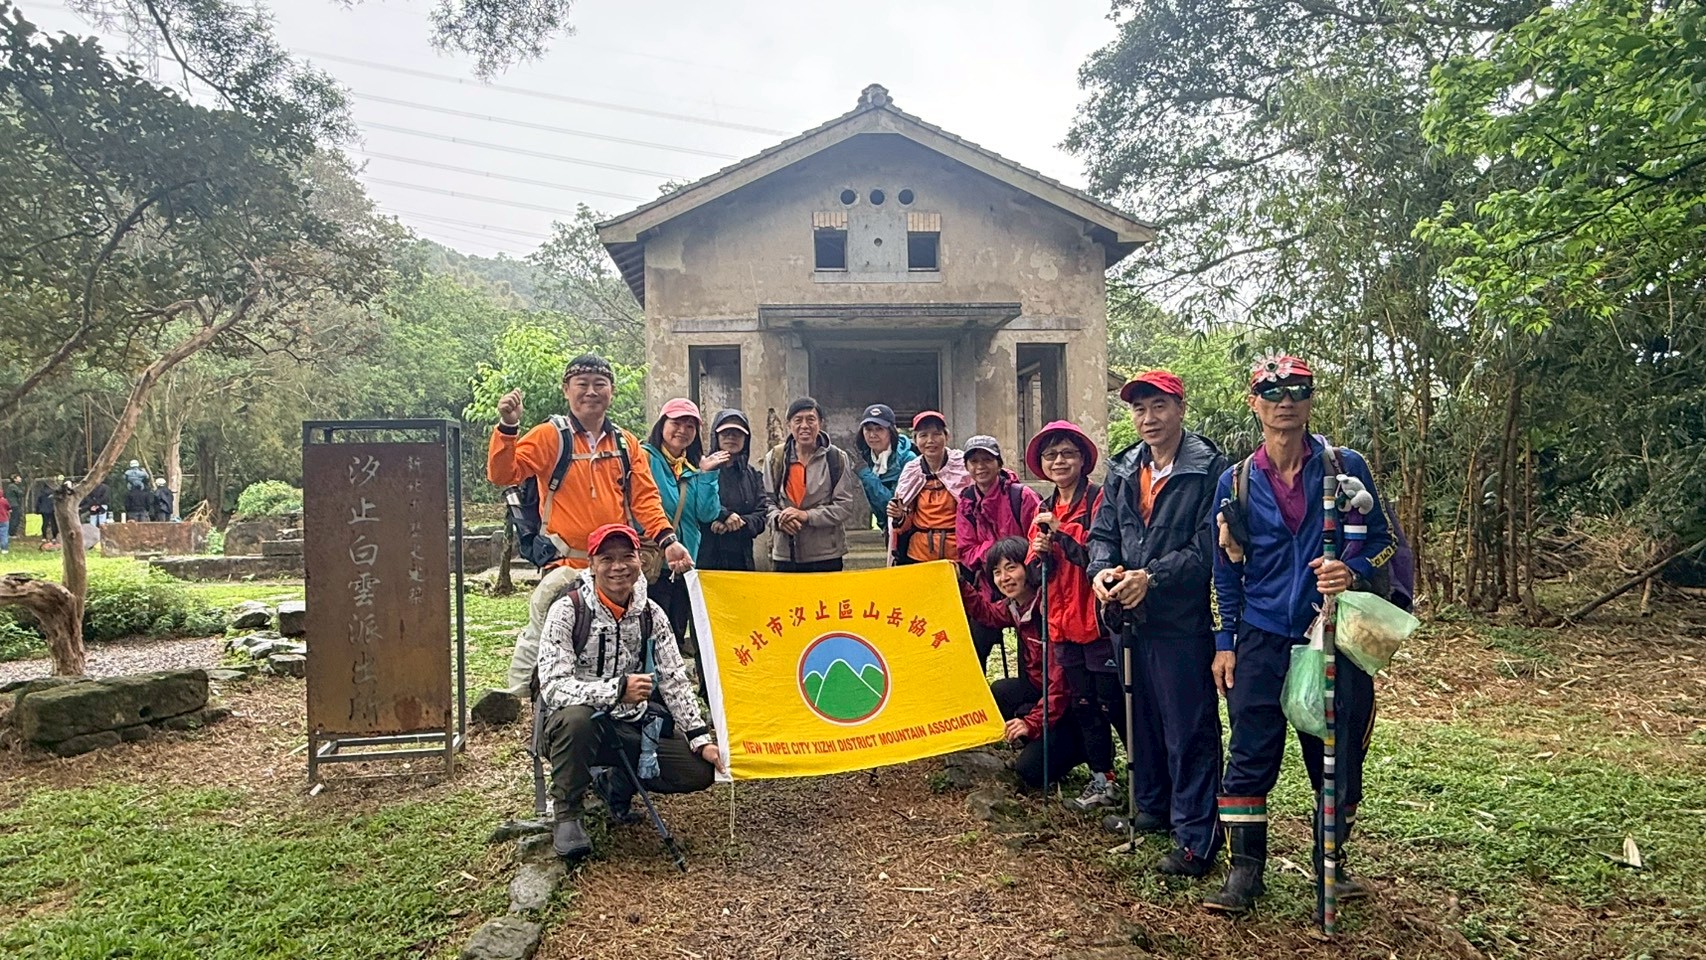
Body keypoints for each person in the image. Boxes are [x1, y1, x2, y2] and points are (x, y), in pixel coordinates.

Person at [1205, 354, 1394, 914]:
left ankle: (1330, 868)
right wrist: (1224, 641)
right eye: (1272, 389)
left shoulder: (1345, 467)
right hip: (1261, 635)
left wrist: (1352, 570)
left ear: (1311, 399)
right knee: (1248, 753)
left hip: (1332, 632)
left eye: (1297, 389)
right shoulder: (1235, 480)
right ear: (1254, 401)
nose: (1285, 399)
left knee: (1335, 756)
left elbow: (1385, 542)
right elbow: (1225, 567)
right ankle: (1245, 872)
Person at [1089, 370, 1229, 878]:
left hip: (1179, 619)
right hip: (1127, 615)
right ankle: (1152, 807)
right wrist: (1102, 570)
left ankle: (1197, 837)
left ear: (1180, 409)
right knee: (1140, 717)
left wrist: (1153, 576)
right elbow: (1103, 532)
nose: (1148, 419)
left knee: (1188, 726)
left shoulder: (1211, 469)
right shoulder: (1125, 466)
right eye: (1139, 409)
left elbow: (1210, 546)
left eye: (1158, 407)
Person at [487, 353, 692, 695]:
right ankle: (519, 695)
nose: (591, 392)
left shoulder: (626, 444)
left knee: (620, 637)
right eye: (582, 384)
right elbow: (503, 474)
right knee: (549, 627)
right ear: (566, 390)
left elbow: (645, 498)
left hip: (614, 566)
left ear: (611, 391)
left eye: (600, 384)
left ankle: (621, 697)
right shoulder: (549, 436)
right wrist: (508, 428)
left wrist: (668, 540)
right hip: (566, 562)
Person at [536, 523, 720, 859]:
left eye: (627, 557)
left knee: (698, 771)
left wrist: (699, 738)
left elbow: (674, 678)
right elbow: (553, 686)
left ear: (642, 560)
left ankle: (615, 784)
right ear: (591, 565)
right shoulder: (567, 610)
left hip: (631, 724)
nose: (618, 566)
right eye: (607, 558)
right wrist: (616, 690)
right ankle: (567, 813)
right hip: (574, 728)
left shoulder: (652, 614)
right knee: (578, 722)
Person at [1024, 421, 1118, 813]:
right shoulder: (1043, 509)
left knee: (1114, 704)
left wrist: (1061, 537)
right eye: (1051, 455)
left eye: (1067, 453)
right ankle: (1103, 778)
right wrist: (1041, 551)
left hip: (1096, 623)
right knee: (1083, 704)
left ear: (1082, 459)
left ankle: (1149, 783)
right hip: (1062, 626)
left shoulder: (1098, 500)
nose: (1059, 461)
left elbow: (1096, 559)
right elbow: (1032, 574)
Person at [961, 537, 1078, 789]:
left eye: (1011, 567)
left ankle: (1081, 749)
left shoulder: (1048, 608)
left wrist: (1032, 723)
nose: (1004, 577)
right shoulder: (1015, 606)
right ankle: (1038, 738)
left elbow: (1061, 685)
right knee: (1001, 691)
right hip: (1040, 692)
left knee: (1029, 771)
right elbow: (988, 614)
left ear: (1029, 567)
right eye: (997, 572)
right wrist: (960, 584)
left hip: (1068, 707)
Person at [640, 398, 728, 641]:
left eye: (690, 426)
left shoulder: (692, 468)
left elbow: (707, 514)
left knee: (676, 633)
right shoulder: (644, 459)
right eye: (676, 422)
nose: (683, 430)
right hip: (651, 562)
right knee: (650, 633)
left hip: (684, 562)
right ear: (662, 425)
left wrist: (708, 475)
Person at [956, 435, 1041, 670]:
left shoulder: (1021, 496)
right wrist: (999, 555)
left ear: (999, 463)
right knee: (973, 653)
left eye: (987, 460)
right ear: (966, 467)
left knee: (1034, 659)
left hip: (1029, 592)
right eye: (974, 462)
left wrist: (1007, 557)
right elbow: (966, 550)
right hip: (989, 588)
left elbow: (1035, 541)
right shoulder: (967, 501)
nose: (980, 467)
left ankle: (1032, 701)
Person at [761, 397, 860, 573]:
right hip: (785, 553)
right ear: (788, 425)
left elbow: (844, 506)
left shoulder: (836, 458)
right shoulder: (774, 458)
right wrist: (778, 519)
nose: (804, 426)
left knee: (824, 601)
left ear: (820, 423)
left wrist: (806, 515)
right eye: (798, 420)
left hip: (826, 555)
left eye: (811, 419)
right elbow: (765, 502)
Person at [888, 411, 969, 565]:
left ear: (947, 437)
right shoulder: (912, 472)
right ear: (915, 440)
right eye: (923, 435)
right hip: (920, 553)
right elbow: (905, 524)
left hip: (958, 551)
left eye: (936, 434)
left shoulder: (963, 466)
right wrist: (898, 516)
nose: (930, 441)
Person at [698, 408, 767, 572]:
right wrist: (722, 515)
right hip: (706, 559)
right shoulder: (701, 471)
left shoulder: (753, 476)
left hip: (741, 561)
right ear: (716, 437)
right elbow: (695, 503)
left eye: (737, 433)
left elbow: (762, 513)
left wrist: (738, 523)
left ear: (746, 439)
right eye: (725, 433)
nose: (731, 437)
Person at [853, 403, 917, 525]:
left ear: (891, 431)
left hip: (907, 528)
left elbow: (892, 507)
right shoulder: (866, 458)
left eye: (879, 429)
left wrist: (866, 475)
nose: (872, 435)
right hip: (887, 529)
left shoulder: (908, 460)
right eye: (868, 429)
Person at [35, 478, 59, 549]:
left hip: (44, 510)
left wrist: (37, 510)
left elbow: (38, 502)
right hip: (52, 509)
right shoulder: (53, 492)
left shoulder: (41, 492)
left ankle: (44, 537)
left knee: (44, 523)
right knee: (53, 523)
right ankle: (54, 536)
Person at [5, 475, 24, 539]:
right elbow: (20, 493)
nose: (20, 478)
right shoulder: (13, 486)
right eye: (19, 478)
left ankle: (12, 533)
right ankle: (11, 533)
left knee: (15, 518)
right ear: (15, 479)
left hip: (14, 504)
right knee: (15, 518)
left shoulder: (13, 486)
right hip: (14, 504)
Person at [0, 484, 10, 554]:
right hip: (4, 520)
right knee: (4, 535)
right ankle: (4, 550)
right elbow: (9, 509)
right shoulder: (4, 501)